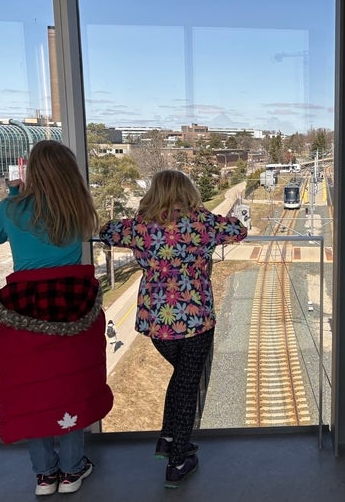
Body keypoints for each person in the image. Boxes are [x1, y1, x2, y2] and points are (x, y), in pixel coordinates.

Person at [99, 169, 247, 488]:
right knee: (186, 383)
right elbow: (239, 230)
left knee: (181, 379)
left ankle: (169, 439)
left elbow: (107, 232)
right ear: (187, 191)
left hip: (156, 320)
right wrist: (203, 215)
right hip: (196, 319)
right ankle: (178, 461)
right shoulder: (200, 222)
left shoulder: (140, 225)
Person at [0, 140, 113, 496]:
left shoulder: (12, 208)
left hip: (25, 306)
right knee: (69, 385)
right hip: (74, 302)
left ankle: (45, 475)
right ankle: (72, 471)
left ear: (31, 173)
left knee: (32, 389)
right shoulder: (79, 208)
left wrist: (13, 194)